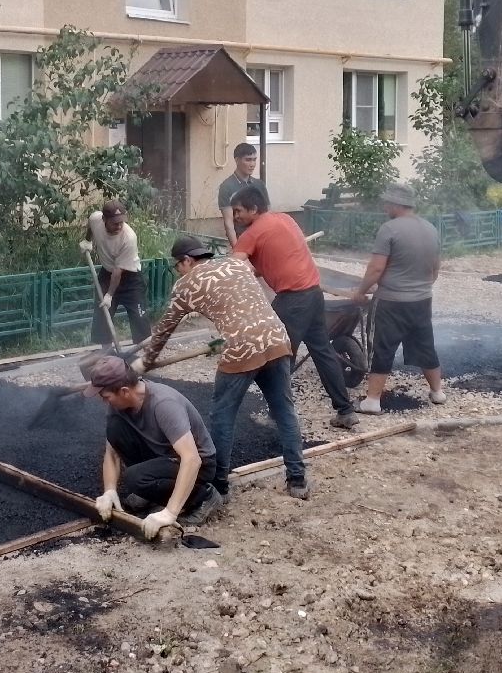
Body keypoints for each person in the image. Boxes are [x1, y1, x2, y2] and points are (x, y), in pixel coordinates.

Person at [140, 236, 311, 500]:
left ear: (186, 261)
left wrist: (146, 362)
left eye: (178, 265)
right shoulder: (237, 264)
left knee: (222, 417)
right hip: (277, 337)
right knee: (284, 410)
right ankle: (297, 479)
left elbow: (164, 329)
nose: (179, 271)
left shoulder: (186, 284)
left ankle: (218, 484)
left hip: (241, 347)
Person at [231, 186, 358, 428]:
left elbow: (232, 267)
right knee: (323, 352)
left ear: (254, 209)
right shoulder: (285, 219)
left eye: (238, 211)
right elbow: (282, 256)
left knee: (278, 358)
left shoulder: (252, 232)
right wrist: (260, 270)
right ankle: (346, 411)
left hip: (293, 300)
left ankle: (278, 416)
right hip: (313, 294)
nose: (235, 217)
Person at [88, 355, 222, 537]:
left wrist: (170, 513)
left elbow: (192, 459)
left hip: (198, 464)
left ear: (125, 391)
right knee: (115, 429)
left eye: (105, 397)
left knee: (135, 478)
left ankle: (203, 496)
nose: (103, 402)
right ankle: (153, 488)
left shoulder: (164, 404)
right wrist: (109, 490)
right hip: (163, 456)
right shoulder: (118, 406)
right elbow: (112, 453)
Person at [350, 183, 444, 415]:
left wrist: (361, 291)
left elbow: (375, 269)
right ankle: (437, 392)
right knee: (425, 345)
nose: (384, 206)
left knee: (381, 347)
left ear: (395, 204)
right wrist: (418, 288)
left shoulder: (389, 229)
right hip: (422, 301)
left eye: (386, 202)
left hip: (391, 302)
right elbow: (435, 268)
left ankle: (372, 400)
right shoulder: (430, 228)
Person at [81, 200, 152, 350]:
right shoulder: (95, 219)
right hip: (107, 275)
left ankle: (146, 357)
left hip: (130, 279)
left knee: (140, 317)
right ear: (104, 220)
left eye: (122, 222)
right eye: (115, 223)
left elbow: (118, 271)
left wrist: (109, 295)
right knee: (102, 315)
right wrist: (88, 240)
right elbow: (91, 225)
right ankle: (107, 354)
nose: (119, 226)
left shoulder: (129, 237)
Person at [218, 142, 270, 248]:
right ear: (237, 160)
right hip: (242, 239)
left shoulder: (259, 184)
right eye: (248, 159)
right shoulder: (227, 186)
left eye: (254, 159)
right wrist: (237, 249)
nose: (252, 164)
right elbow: (229, 223)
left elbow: (268, 215)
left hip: (262, 239)